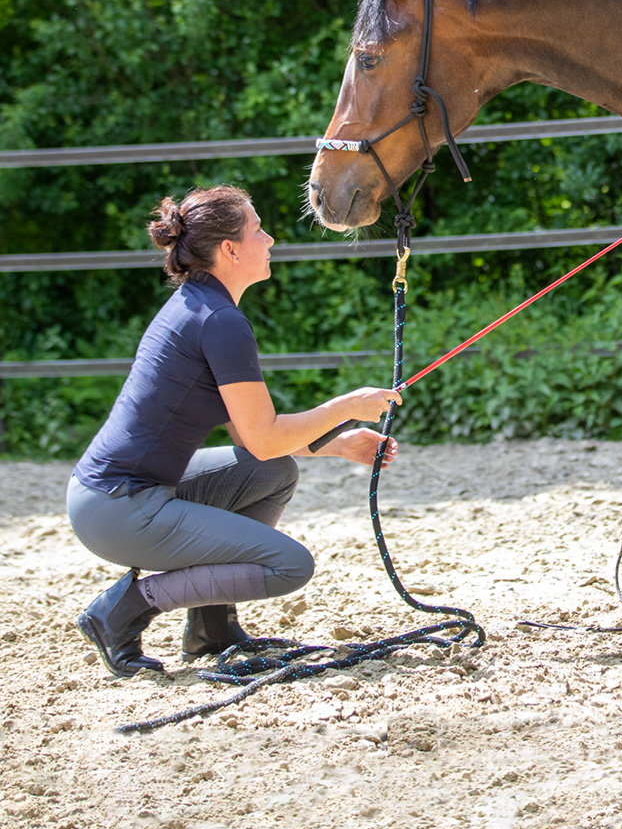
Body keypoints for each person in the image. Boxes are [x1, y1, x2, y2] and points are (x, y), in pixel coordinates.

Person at [68, 184, 402, 677]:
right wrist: (345, 407)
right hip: (118, 508)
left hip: (108, 496)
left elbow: (253, 441)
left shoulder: (201, 305)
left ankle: (212, 631)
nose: (270, 240)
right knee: (289, 565)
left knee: (273, 472)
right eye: (258, 230)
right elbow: (264, 437)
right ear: (230, 249)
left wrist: (339, 444)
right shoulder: (221, 321)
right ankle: (122, 609)